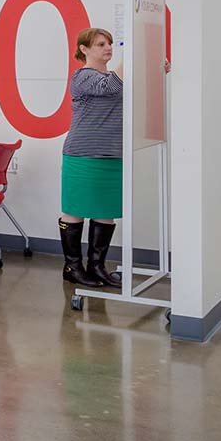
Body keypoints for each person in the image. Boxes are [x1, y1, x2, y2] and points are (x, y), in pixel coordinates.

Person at [60, 28, 161, 290]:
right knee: (75, 209)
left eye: (110, 44)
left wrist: (155, 69)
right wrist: (134, 53)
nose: (108, 48)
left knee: (106, 212)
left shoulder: (115, 76)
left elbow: (129, 90)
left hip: (112, 153)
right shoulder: (82, 77)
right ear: (84, 49)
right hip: (83, 153)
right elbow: (110, 86)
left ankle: (97, 266)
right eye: (101, 44)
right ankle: (72, 267)